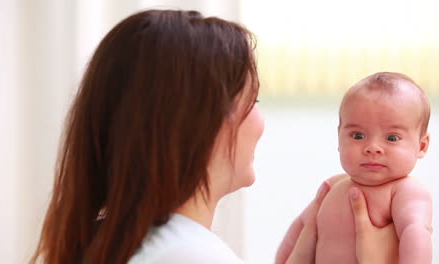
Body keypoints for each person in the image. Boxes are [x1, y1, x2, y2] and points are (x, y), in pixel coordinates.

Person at [30, 10, 398, 264]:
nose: (261, 121)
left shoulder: (108, 242)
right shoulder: (189, 256)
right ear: (203, 121)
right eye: (253, 100)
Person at [278, 72, 432, 264]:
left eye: (392, 138)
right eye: (358, 136)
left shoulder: (406, 191)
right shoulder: (332, 186)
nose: (372, 148)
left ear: (422, 146)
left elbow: (416, 233)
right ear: (339, 138)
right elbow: (301, 227)